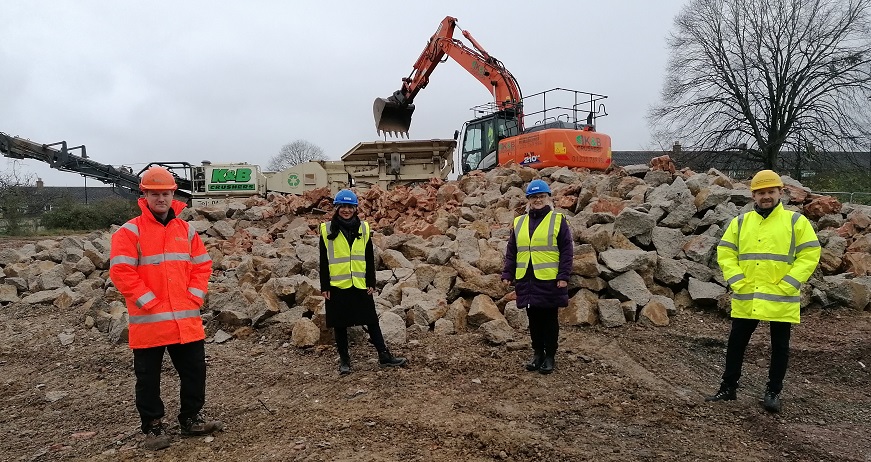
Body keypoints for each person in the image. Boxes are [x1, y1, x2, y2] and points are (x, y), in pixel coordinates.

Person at [109, 166, 222, 450]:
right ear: (144, 195)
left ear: (173, 194)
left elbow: (202, 265)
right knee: (148, 378)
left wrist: (194, 297)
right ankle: (153, 427)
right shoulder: (129, 232)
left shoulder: (186, 230)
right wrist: (148, 301)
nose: (161, 198)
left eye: (165, 193)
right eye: (154, 193)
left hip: (185, 319)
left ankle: (191, 417)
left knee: (195, 371)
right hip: (150, 321)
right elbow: (121, 271)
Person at [706, 169, 820, 412]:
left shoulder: (795, 221)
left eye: (771, 191)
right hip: (748, 293)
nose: (766, 196)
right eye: (761, 193)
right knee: (736, 342)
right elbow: (725, 252)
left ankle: (773, 392)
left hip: (780, 294)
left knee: (779, 347)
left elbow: (810, 254)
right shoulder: (740, 222)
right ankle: (728, 388)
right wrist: (736, 280)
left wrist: (791, 282)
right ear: (753, 196)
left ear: (780, 192)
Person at [319, 189, 406, 375]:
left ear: (355, 209)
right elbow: (323, 260)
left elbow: (368, 257)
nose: (346, 210)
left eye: (350, 207)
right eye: (342, 206)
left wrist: (371, 281)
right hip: (337, 285)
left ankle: (384, 356)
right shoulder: (326, 230)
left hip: (359, 283)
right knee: (339, 324)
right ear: (337, 208)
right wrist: (324, 285)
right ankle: (344, 361)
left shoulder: (364, 228)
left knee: (371, 320)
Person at [501, 179, 574, 374]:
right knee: (533, 317)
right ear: (528, 200)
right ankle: (537, 354)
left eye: (541, 196)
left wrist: (563, 275)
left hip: (550, 278)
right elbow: (512, 251)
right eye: (534, 197)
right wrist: (508, 273)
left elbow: (567, 250)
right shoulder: (519, 222)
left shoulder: (558, 220)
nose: (538, 200)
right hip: (527, 278)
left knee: (549, 318)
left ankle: (550, 355)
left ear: (548, 198)